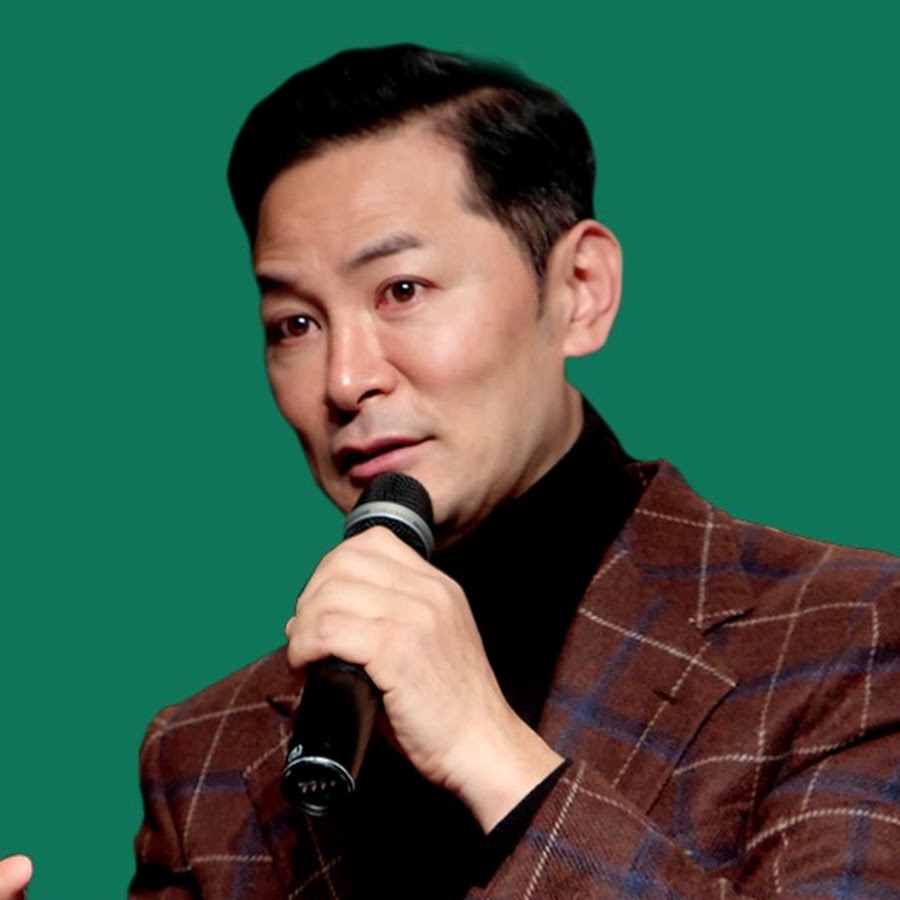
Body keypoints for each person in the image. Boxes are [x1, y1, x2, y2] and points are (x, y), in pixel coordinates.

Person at [4, 43, 898, 899]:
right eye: (295, 324)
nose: (345, 379)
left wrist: (490, 752)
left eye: (402, 291)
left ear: (579, 289)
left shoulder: (851, 635)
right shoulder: (201, 756)